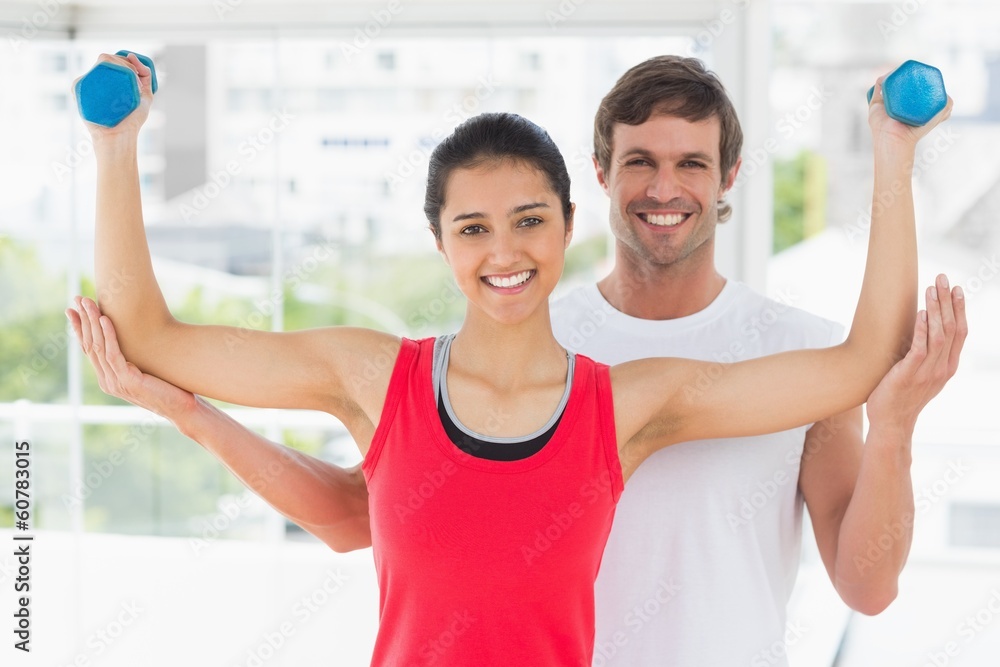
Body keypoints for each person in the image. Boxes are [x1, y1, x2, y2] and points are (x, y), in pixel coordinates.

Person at [69, 51, 959, 666]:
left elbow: (860, 366)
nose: (505, 251)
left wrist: (892, 150)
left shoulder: (624, 400)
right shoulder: (383, 374)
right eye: (473, 228)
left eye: (529, 220)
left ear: (568, 221)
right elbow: (160, 342)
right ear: (440, 241)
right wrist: (116, 148)